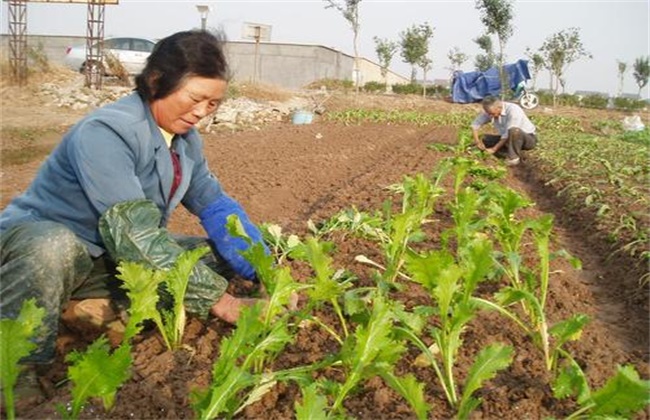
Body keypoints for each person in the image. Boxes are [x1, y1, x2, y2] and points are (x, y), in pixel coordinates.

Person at [0, 30, 268, 403]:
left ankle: (81, 308)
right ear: (157, 80)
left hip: (105, 257)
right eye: (195, 99)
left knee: (211, 257)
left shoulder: (184, 140)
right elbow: (134, 236)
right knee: (53, 247)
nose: (202, 112)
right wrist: (224, 303)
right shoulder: (107, 132)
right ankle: (14, 371)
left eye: (213, 104)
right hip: (42, 250)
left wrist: (262, 268)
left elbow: (213, 203)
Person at [470, 95, 538, 166]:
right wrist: (477, 142)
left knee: (514, 131)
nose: (490, 116)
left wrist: (493, 149)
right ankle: (504, 151)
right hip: (508, 139)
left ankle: (513, 158)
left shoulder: (513, 110)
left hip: (527, 139)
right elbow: (475, 124)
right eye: (488, 114)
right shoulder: (490, 111)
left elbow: (507, 134)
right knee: (483, 137)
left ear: (499, 107)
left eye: (492, 114)